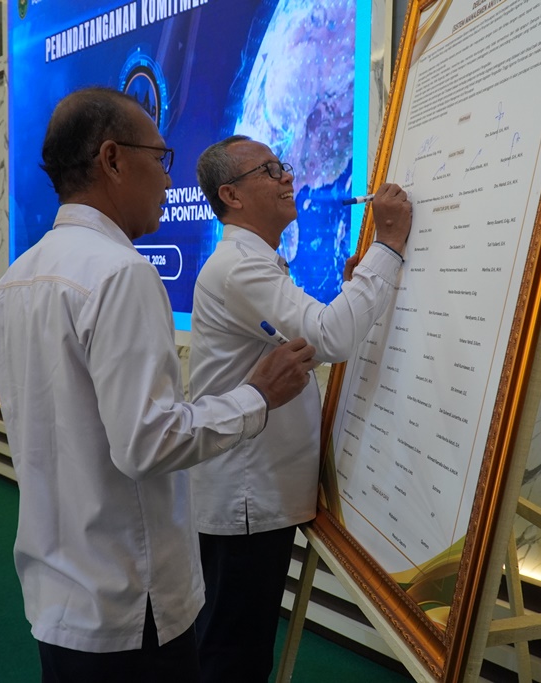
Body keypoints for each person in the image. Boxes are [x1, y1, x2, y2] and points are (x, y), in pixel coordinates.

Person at [0, 90, 316, 682]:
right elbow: (148, 442)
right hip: (131, 600)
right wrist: (257, 396)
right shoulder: (121, 273)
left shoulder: (16, 279)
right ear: (113, 160)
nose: (168, 182)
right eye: (160, 159)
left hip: (59, 594)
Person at [189, 135, 412, 681]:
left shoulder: (252, 262)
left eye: (282, 165)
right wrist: (388, 245)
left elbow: (312, 335)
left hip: (255, 493)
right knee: (233, 657)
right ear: (231, 195)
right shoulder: (240, 268)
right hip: (247, 498)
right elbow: (329, 337)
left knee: (235, 647)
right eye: (269, 170)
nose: (287, 176)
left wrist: (356, 288)